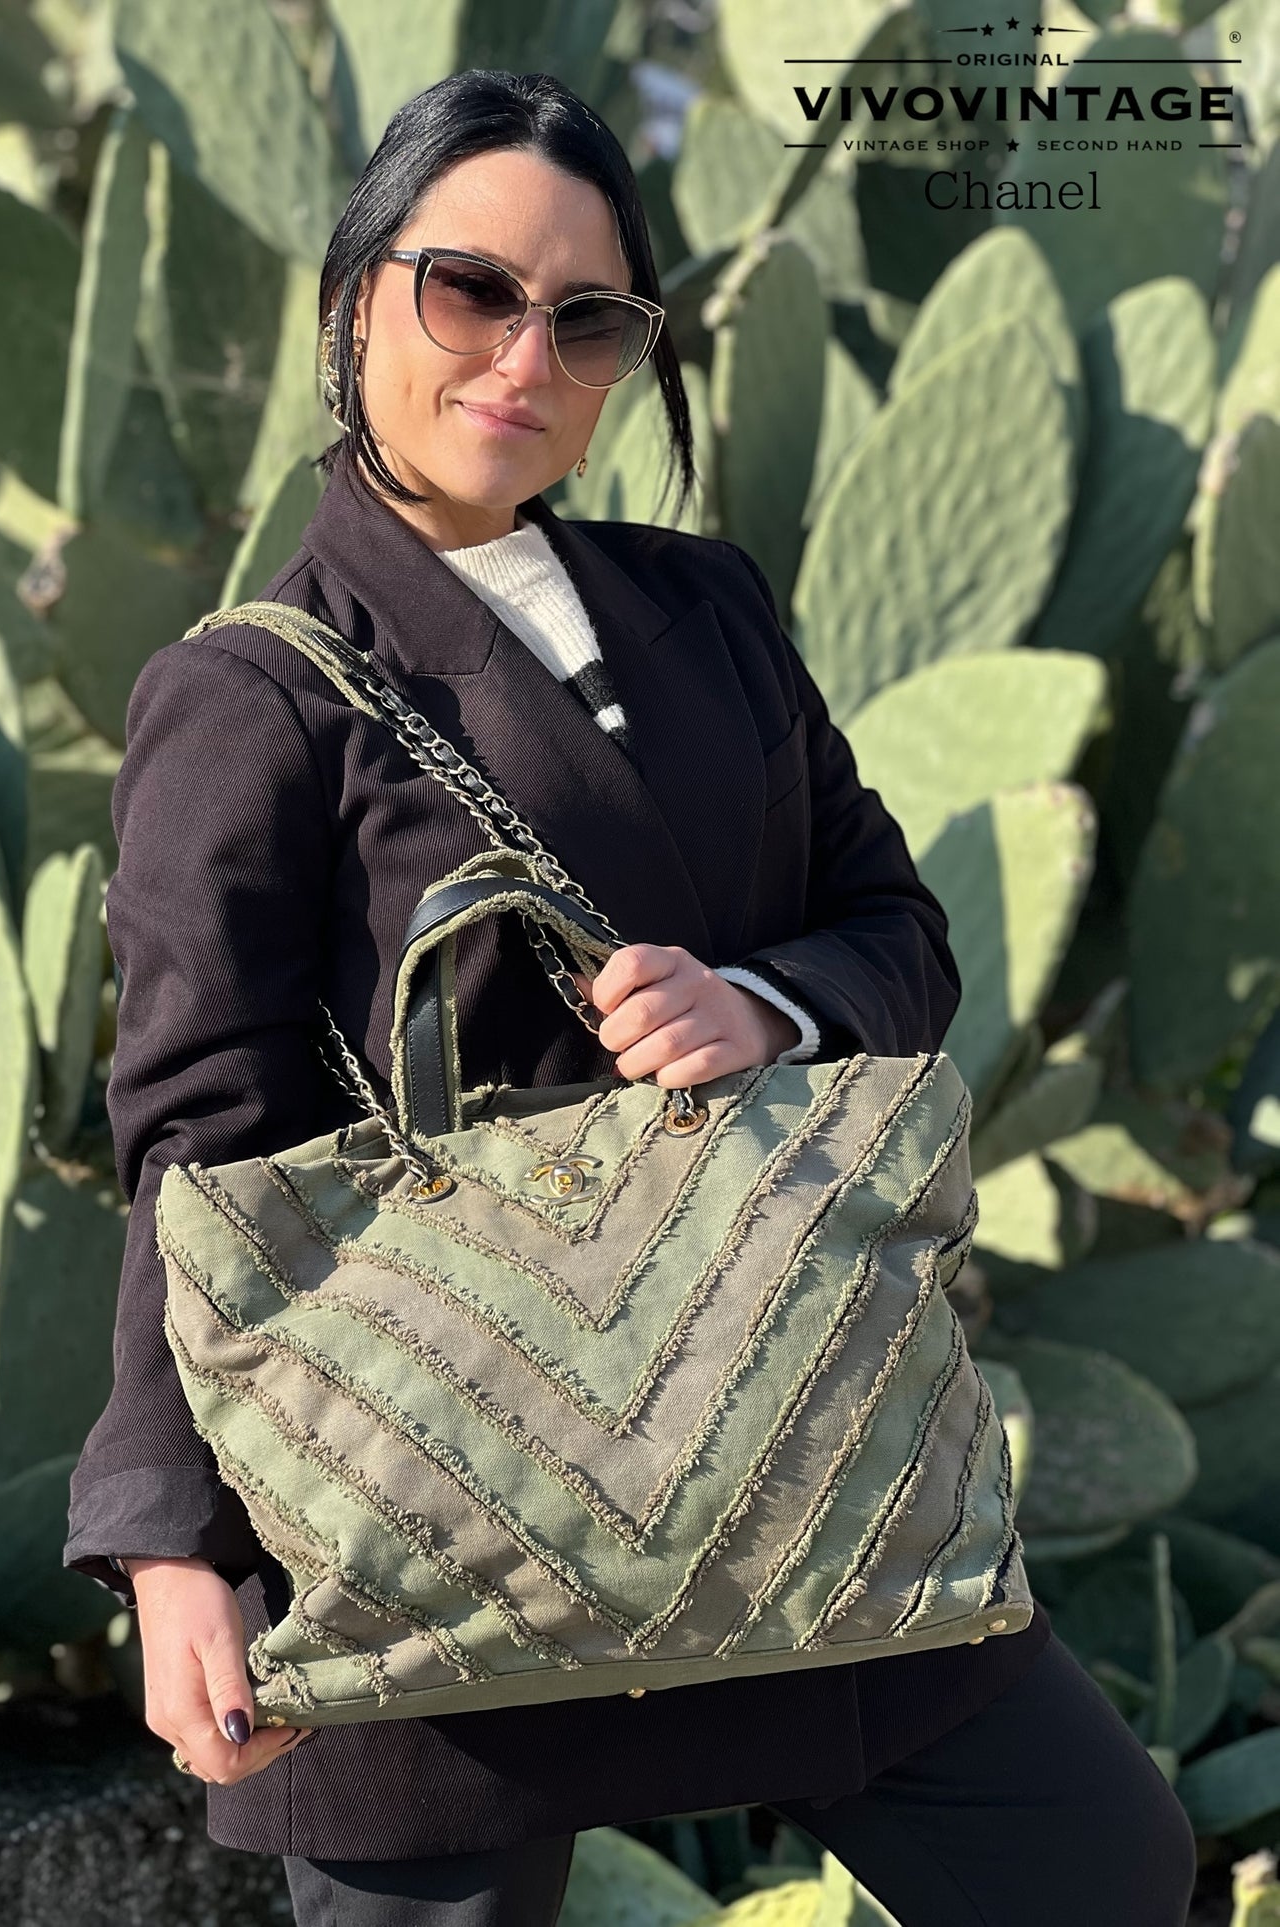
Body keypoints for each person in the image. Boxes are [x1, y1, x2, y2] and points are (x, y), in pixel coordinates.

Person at [64, 68, 1196, 1927]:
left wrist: (767, 1004)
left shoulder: (713, 609)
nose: (526, 356)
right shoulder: (250, 691)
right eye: (470, 291)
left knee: (1094, 1863)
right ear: (353, 300)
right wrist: (168, 1545)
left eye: (586, 319)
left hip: (790, 1449)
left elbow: (897, 932)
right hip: (430, 1499)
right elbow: (195, 1142)